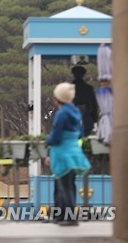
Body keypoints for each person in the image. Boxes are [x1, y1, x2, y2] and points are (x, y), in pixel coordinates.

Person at [46, 83, 91, 226]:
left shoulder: (61, 114)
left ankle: (70, 218)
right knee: (69, 184)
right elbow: (81, 133)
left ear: (57, 98)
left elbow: (56, 137)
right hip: (74, 152)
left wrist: (48, 141)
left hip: (62, 153)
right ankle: (63, 216)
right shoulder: (76, 112)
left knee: (63, 186)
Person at [71, 66, 98, 136]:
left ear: (73, 75)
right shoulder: (89, 88)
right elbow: (94, 105)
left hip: (71, 117)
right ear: (83, 75)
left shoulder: (69, 88)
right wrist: (94, 119)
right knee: (85, 140)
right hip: (87, 119)